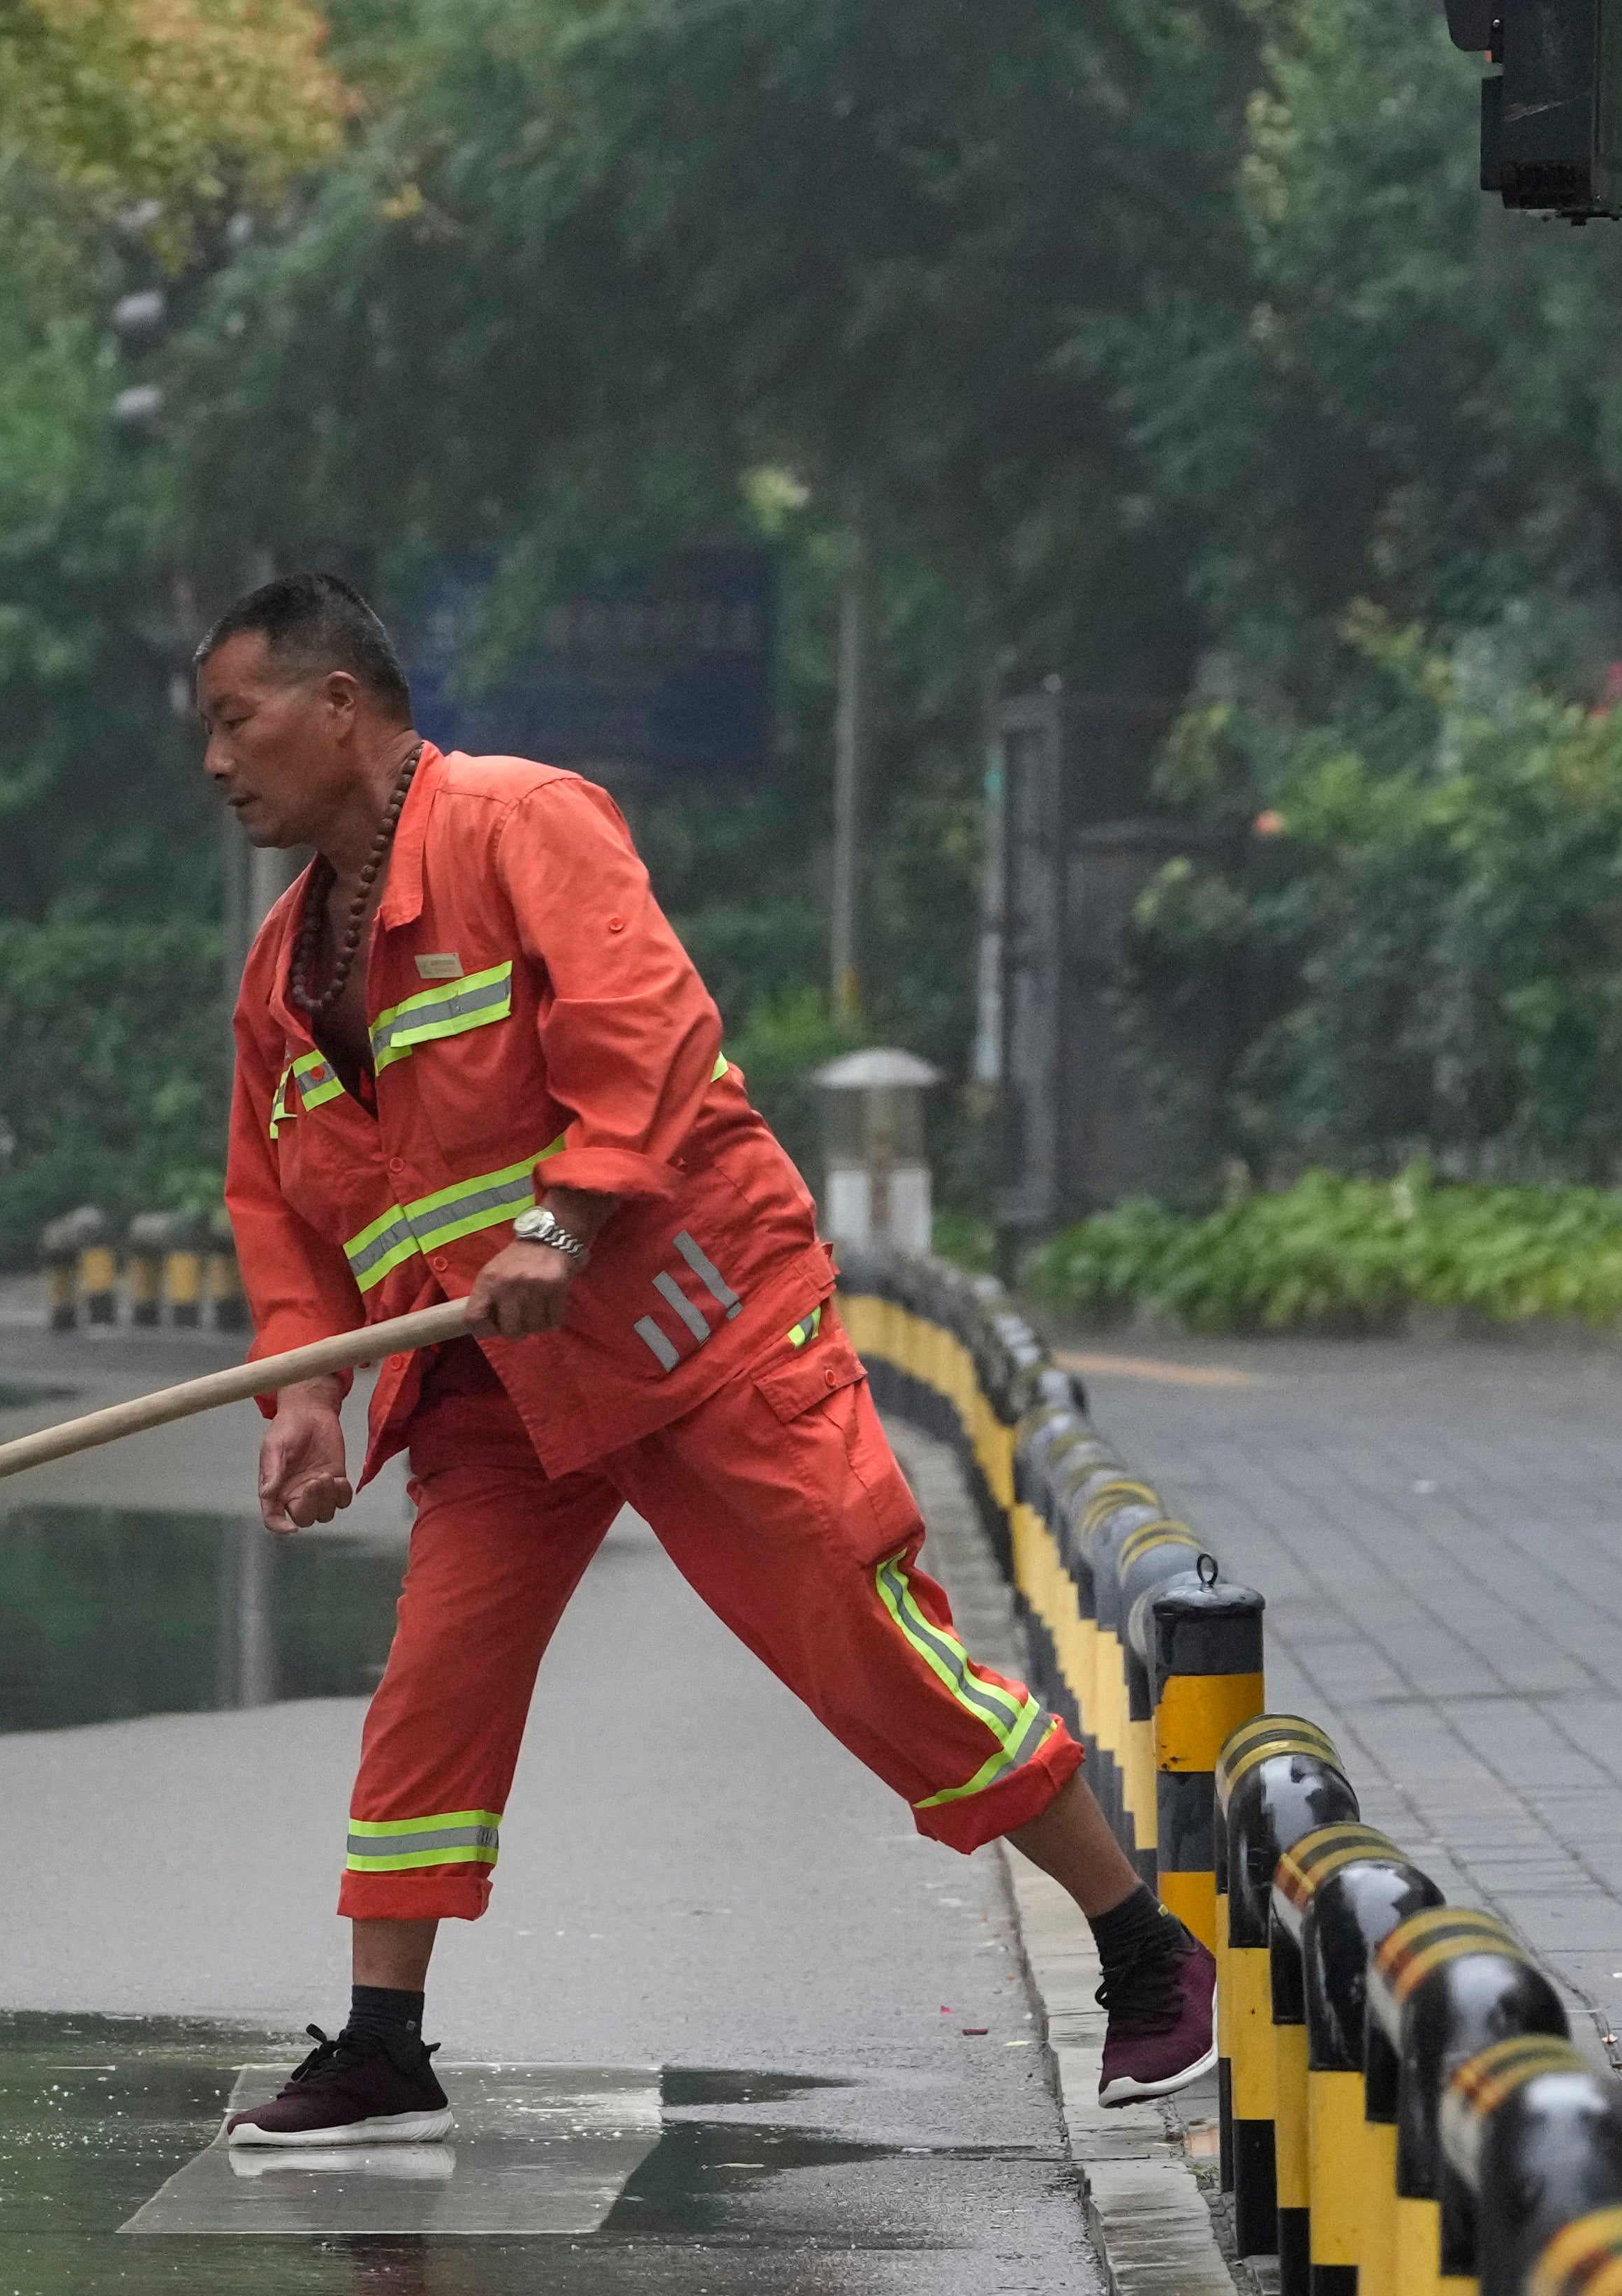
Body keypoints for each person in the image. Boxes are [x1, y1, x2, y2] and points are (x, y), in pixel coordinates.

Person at [200, 570, 1213, 2142]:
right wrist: (307, 1392)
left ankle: (1144, 1949)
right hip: (495, 1386)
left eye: (233, 717)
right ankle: (383, 2043)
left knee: (853, 1628)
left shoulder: (520, 823)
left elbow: (647, 1028)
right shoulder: (284, 969)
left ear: (339, 705)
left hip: (691, 1326)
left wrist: (568, 1224)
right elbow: (277, 1206)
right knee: (430, 1692)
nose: (214, 759)